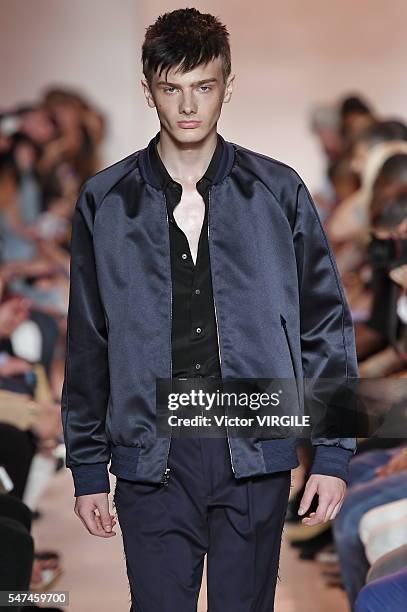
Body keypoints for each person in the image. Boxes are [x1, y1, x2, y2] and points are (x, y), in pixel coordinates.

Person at [61, 8, 358, 611]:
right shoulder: (105, 202)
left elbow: (323, 325)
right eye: (172, 89)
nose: (189, 106)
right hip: (152, 452)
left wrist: (332, 453)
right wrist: (88, 468)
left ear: (228, 85)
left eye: (204, 86)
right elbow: (88, 342)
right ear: (149, 91)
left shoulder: (278, 192)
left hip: (252, 444)